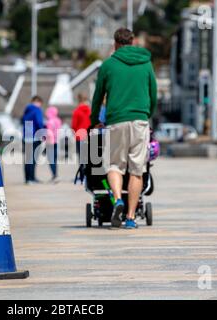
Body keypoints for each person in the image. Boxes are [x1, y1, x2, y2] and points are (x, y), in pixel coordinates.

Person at [90, 28, 158, 229]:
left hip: (116, 121)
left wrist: (95, 120)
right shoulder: (146, 64)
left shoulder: (109, 65)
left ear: (115, 44)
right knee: (137, 170)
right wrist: (147, 115)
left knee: (114, 166)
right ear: (133, 42)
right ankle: (130, 217)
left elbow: (97, 96)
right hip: (140, 120)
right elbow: (153, 94)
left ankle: (118, 199)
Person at [21, 96, 45, 184]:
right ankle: (32, 178)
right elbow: (39, 123)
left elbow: (22, 121)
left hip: (26, 136)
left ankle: (27, 179)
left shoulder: (26, 111)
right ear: (38, 102)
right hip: (35, 137)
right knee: (33, 159)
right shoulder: (37, 110)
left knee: (27, 159)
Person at [71, 93, 91, 160]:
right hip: (89, 135)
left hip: (80, 136)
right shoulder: (90, 111)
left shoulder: (77, 111)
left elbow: (74, 125)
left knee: (81, 158)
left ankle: (82, 170)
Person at [45, 106, 62, 182]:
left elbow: (48, 133)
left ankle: (54, 175)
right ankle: (56, 175)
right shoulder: (58, 120)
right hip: (56, 142)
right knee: (54, 160)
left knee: (51, 160)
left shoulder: (49, 122)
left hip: (50, 142)